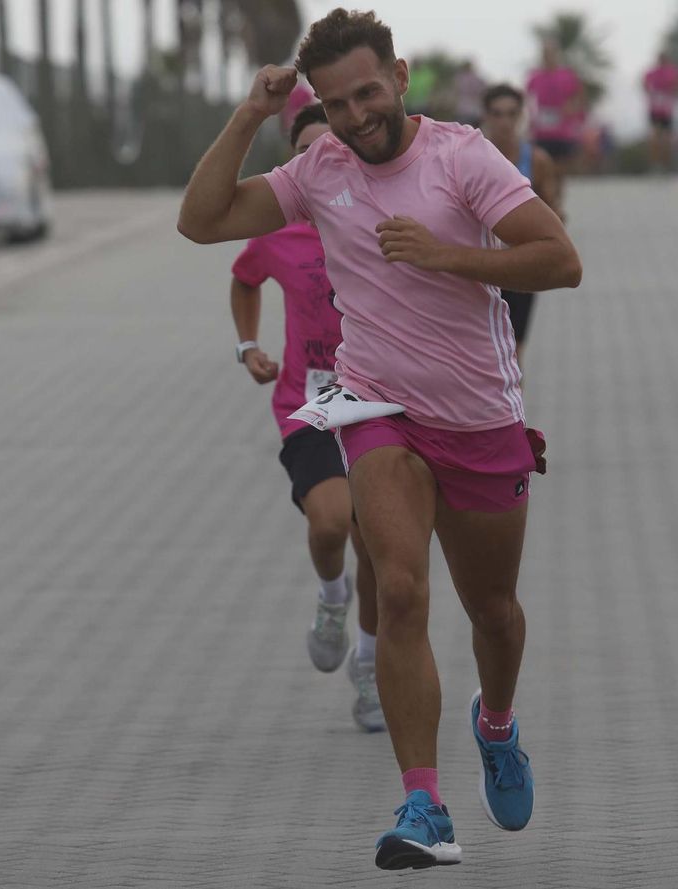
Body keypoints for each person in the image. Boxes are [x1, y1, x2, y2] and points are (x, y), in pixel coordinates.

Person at [177, 6, 581, 871]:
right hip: (376, 408)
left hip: (478, 416)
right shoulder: (318, 167)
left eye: (368, 93)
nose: (357, 116)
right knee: (398, 590)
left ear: (399, 77)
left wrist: (447, 257)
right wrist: (250, 114)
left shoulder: (462, 158)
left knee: (494, 615)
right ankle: (424, 804)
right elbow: (203, 221)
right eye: (338, 102)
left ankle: (497, 724)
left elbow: (560, 259)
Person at [230, 102, 383, 733]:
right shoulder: (277, 230)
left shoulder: (380, 218)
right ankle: (331, 597)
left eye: (335, 153)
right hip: (311, 403)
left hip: (382, 398)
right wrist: (248, 346)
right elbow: (244, 280)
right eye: (309, 155)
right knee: (331, 523)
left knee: (379, 540)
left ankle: (371, 668)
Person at [479, 83, 563, 354]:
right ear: (486, 116)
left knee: (514, 350)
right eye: (497, 114)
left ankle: (514, 397)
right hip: (478, 266)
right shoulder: (471, 159)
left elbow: (554, 214)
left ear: (521, 116)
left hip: (519, 266)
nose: (504, 122)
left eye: (511, 113)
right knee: (483, 349)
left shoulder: (536, 160)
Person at [525, 39, 585, 176]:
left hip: (562, 130)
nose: (548, 56)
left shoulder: (567, 75)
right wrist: (530, 117)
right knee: (543, 167)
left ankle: (558, 193)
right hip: (541, 130)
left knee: (560, 169)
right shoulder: (535, 76)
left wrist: (572, 109)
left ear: (556, 55)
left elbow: (579, 97)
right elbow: (528, 98)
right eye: (545, 53)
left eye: (551, 53)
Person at [643, 51, 678, 174]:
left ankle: (666, 165)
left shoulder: (672, 72)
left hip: (666, 110)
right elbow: (645, 84)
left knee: (666, 139)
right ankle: (655, 164)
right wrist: (651, 94)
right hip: (654, 109)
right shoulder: (651, 73)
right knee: (654, 137)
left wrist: (672, 94)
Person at [451, 59, 486, 128]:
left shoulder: (459, 78)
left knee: (462, 134)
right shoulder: (478, 79)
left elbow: (455, 94)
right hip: (476, 111)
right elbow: (483, 94)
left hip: (462, 110)